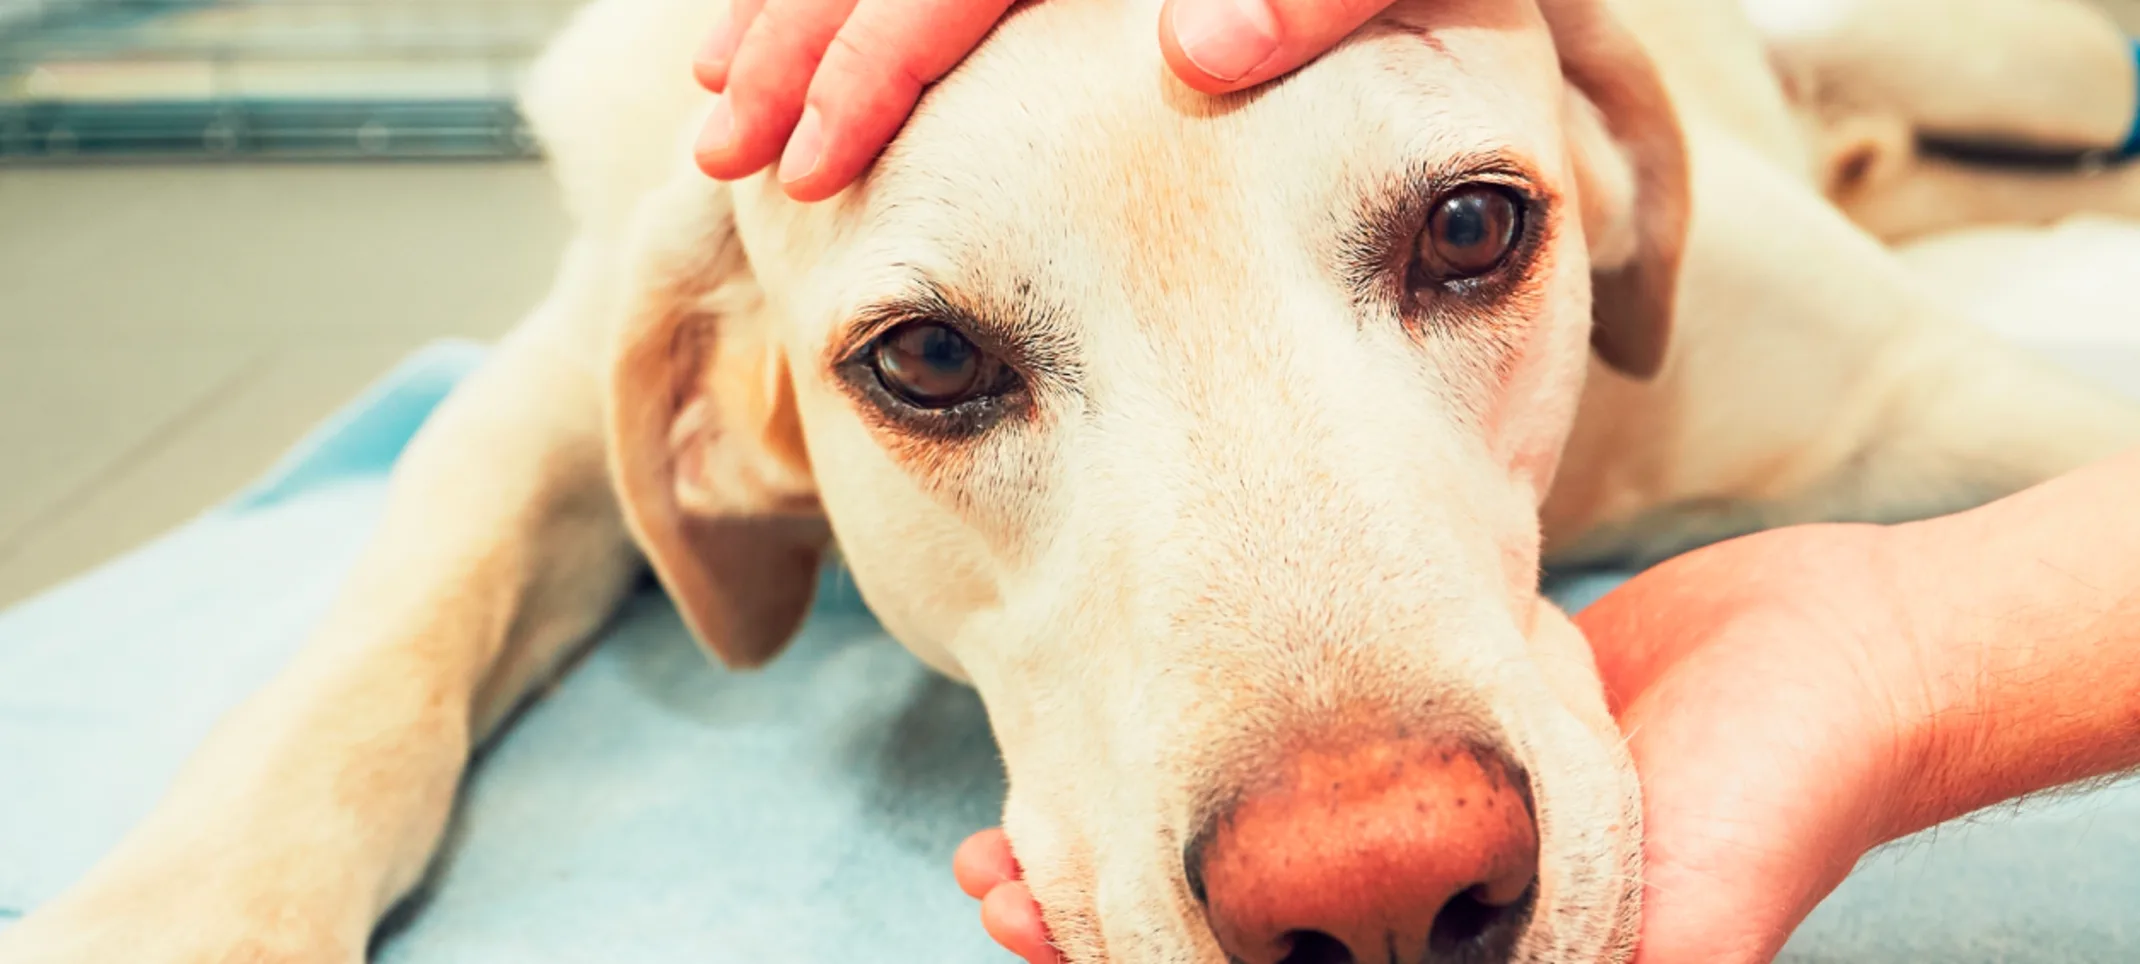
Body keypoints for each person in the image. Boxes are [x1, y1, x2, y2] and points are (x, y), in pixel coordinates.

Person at [689, 3, 2140, 961]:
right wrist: (1876, 661)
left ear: (1616, 198)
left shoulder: (1587, 152)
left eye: (1462, 236)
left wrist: (1927, 655)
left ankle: (1913, 132)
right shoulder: (732, 188)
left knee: (2063, 68)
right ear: (746, 438)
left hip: (1751, 40)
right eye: (940, 363)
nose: (1357, 864)